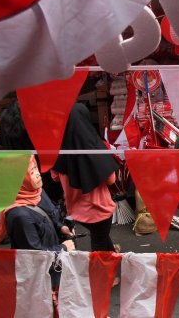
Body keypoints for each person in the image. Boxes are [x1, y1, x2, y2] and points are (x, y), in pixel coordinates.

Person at [0, 156, 75, 287]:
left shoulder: (36, 191)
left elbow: (50, 213)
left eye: (36, 169)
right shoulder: (19, 216)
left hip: (54, 267)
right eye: (31, 173)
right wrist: (63, 248)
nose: (38, 174)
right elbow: (34, 254)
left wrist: (61, 227)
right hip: (39, 280)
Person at [51, 103, 120, 252]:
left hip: (76, 210)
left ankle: (115, 266)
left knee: (101, 239)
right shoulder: (97, 148)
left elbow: (55, 177)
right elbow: (111, 179)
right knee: (99, 248)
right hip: (99, 210)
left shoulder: (60, 152)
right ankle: (101, 274)